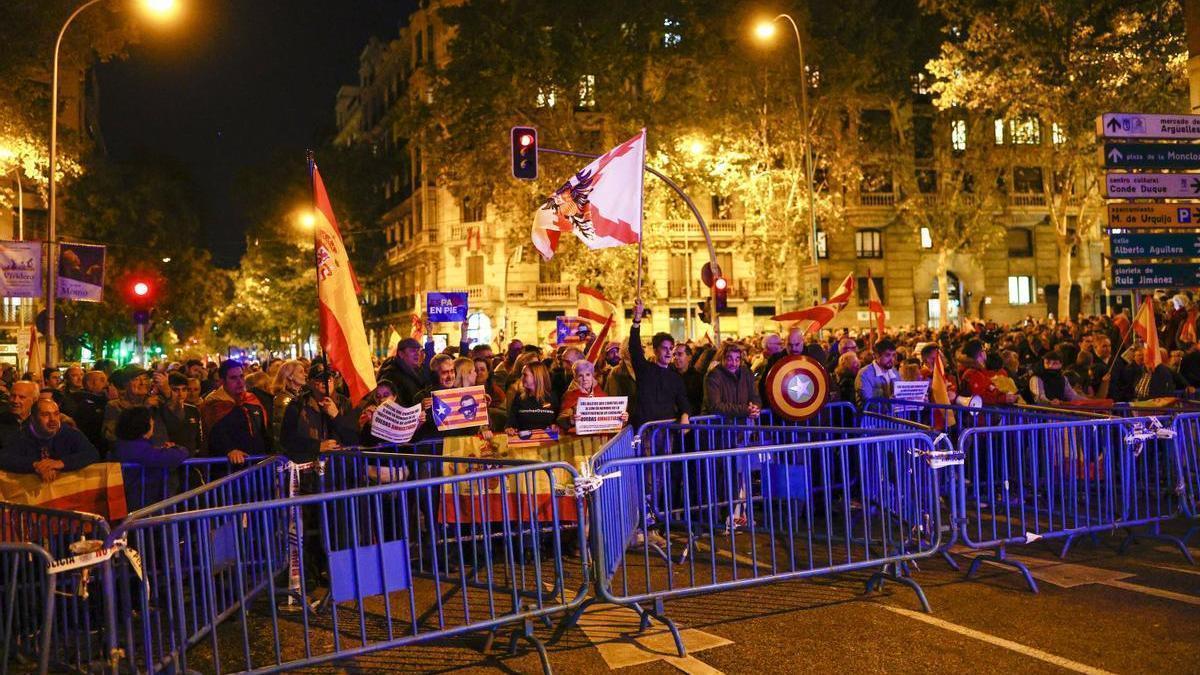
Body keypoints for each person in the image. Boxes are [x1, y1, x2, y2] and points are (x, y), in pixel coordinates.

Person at [627, 299, 690, 428]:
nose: (668, 352)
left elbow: (683, 401)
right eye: (664, 348)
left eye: (670, 348)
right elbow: (634, 347)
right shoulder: (644, 370)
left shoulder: (675, 377)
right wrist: (637, 319)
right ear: (655, 350)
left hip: (666, 431)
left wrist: (685, 415)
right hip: (646, 431)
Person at [0, 399, 99, 481]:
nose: (53, 419)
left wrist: (61, 463)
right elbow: (5, 458)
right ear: (33, 419)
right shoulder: (22, 436)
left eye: (56, 414)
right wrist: (36, 465)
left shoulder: (69, 433)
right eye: (45, 415)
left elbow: (92, 453)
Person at [113, 405, 190, 508]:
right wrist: (178, 449)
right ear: (143, 426)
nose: (153, 423)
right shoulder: (136, 448)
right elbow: (168, 457)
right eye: (151, 420)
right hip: (142, 502)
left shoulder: (127, 444)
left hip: (142, 498)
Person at [280, 366, 358, 463]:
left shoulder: (345, 403)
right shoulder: (298, 404)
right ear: (310, 383)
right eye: (320, 379)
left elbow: (353, 438)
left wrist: (336, 416)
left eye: (329, 378)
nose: (326, 382)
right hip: (310, 467)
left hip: (339, 467)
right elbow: (286, 439)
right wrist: (317, 446)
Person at [200, 360, 270, 465]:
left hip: (258, 466)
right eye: (233, 378)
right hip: (229, 469)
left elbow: (264, 431)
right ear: (222, 381)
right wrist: (230, 450)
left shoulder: (252, 399)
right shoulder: (214, 404)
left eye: (241, 376)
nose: (240, 382)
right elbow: (215, 435)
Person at [103, 366, 171, 451]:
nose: (142, 383)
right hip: (134, 457)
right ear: (125, 384)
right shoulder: (115, 406)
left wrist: (167, 391)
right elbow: (113, 436)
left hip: (161, 455)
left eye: (146, 379)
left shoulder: (157, 401)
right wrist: (144, 409)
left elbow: (177, 419)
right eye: (136, 379)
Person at [703, 342, 761, 420]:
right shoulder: (713, 376)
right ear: (722, 358)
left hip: (742, 427)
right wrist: (745, 409)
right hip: (720, 427)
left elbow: (755, 396)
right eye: (729, 359)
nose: (734, 363)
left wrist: (755, 408)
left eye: (737, 359)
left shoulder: (746, 373)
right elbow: (715, 406)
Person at [958, 339, 1018, 405]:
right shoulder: (973, 373)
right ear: (980, 353)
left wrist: (1003, 395)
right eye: (984, 350)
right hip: (982, 414)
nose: (986, 352)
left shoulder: (978, 370)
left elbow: (989, 389)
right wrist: (1003, 398)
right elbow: (980, 397)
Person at [505, 362, 559, 433]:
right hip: (524, 440)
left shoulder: (552, 397)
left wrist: (556, 426)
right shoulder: (519, 397)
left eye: (525, 375)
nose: (521, 378)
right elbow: (510, 422)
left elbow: (558, 422)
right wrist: (509, 428)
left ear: (536, 376)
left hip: (547, 440)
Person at [271, 360, 307, 451]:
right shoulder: (283, 399)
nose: (305, 375)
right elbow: (281, 431)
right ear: (290, 376)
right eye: (300, 372)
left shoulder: (298, 397)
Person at [70, 371, 110, 453]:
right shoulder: (83, 404)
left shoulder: (103, 400)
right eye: (102, 380)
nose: (106, 384)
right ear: (89, 384)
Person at [161, 372, 203, 452]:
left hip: (192, 460)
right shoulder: (161, 411)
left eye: (184, 389)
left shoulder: (193, 410)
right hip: (171, 458)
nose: (180, 394)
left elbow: (198, 437)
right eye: (175, 390)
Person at [856, 338, 898, 404]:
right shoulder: (864, 374)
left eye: (893, 355)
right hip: (873, 413)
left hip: (891, 413)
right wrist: (890, 403)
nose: (892, 359)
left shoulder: (895, 372)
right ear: (875, 356)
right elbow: (868, 402)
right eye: (887, 355)